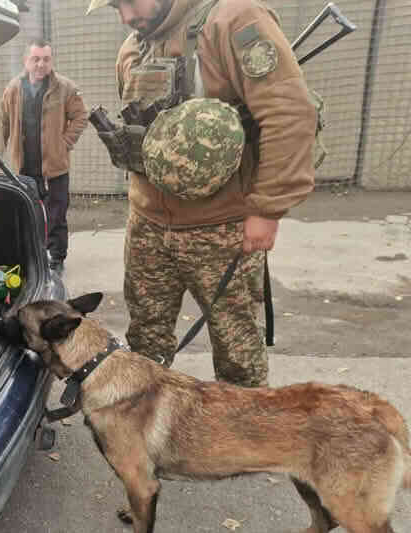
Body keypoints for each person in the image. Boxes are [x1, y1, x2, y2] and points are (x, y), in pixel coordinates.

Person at [86, 0, 316, 387]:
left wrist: (267, 208)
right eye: (115, 6)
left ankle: (244, 440)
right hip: (148, 226)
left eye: (129, 1)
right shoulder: (132, 47)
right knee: (145, 345)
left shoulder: (234, 20)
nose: (125, 16)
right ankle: (147, 433)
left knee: (237, 353)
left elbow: (289, 113)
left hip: (221, 228)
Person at [2, 40, 89, 274]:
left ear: (51, 61)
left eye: (46, 59)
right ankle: (33, 256)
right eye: (36, 59)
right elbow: (3, 123)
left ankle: (57, 258)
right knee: (27, 214)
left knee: (56, 215)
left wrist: (64, 143)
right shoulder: (13, 89)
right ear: (26, 61)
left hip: (54, 167)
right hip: (25, 167)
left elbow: (81, 116)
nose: (41, 64)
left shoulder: (65, 88)